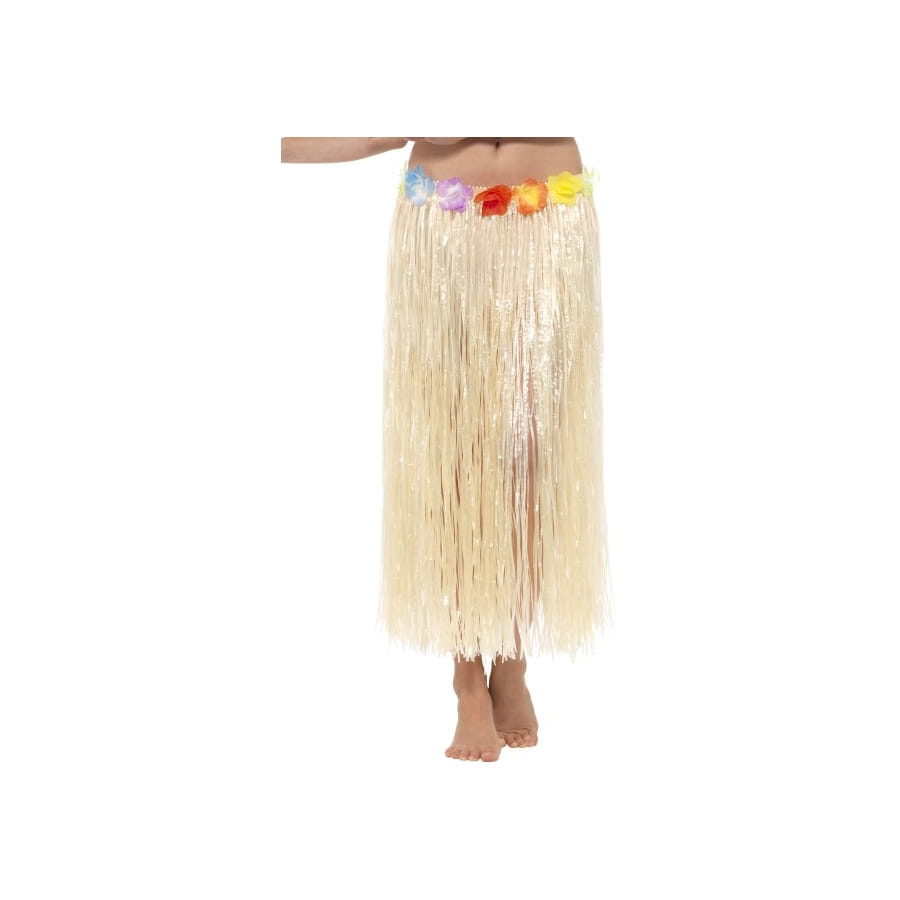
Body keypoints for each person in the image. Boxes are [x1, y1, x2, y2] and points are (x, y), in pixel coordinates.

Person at [280, 138, 614, 761]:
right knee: (454, 451)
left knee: (531, 452)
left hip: (549, 220)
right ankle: (466, 678)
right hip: (444, 222)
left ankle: (511, 658)